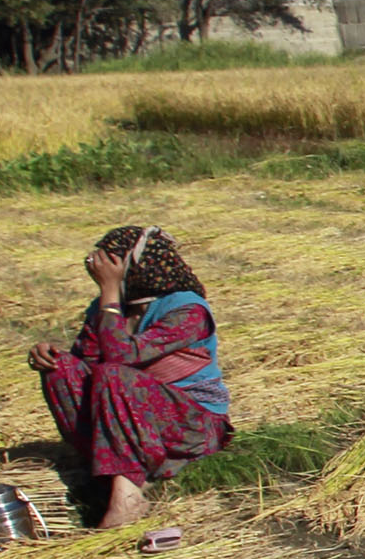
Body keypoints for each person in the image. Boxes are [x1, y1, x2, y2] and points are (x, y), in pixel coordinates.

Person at [28, 226, 231, 530]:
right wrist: (47, 355)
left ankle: (128, 495)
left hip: (191, 423)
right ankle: (110, 475)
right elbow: (86, 363)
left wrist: (109, 293)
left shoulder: (188, 310)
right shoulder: (108, 309)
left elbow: (122, 357)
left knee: (114, 374)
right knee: (61, 369)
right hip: (129, 418)